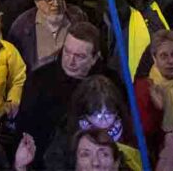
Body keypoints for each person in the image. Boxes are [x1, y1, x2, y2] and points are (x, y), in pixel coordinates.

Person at [15, 21, 107, 166]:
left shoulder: (108, 84)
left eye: (80, 56)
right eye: (67, 51)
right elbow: (24, 129)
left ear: (95, 58)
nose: (70, 61)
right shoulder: (39, 80)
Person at [7, 0, 87, 70]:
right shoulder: (21, 27)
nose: (56, 4)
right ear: (37, 2)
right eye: (49, 0)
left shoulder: (77, 17)